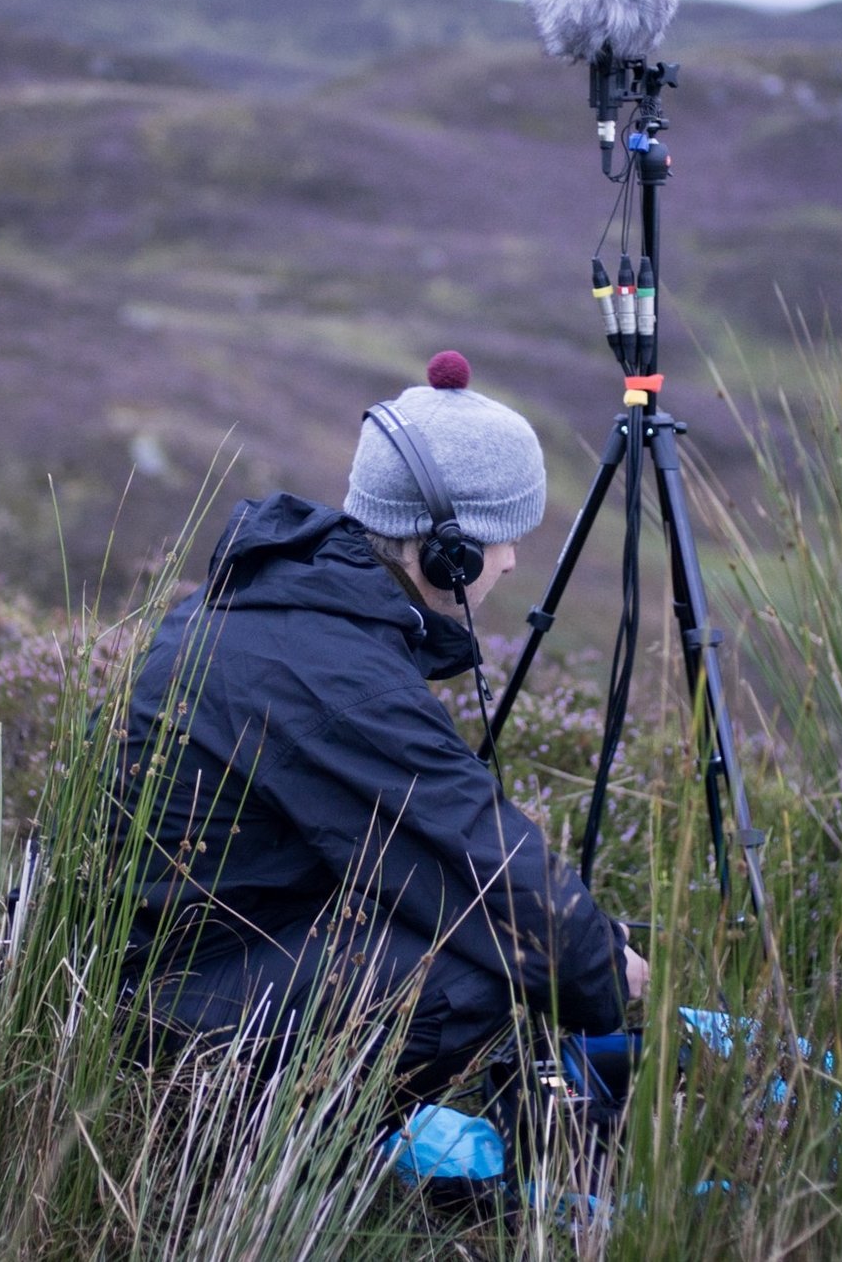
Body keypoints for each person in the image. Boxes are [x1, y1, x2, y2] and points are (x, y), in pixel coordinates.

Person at [118, 350, 644, 1096]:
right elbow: (470, 848)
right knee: (482, 968)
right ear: (452, 553)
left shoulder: (283, 602)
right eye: (503, 535)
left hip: (162, 962)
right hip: (160, 1016)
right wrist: (603, 967)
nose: (511, 562)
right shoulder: (336, 675)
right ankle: (291, 1136)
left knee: (467, 927)